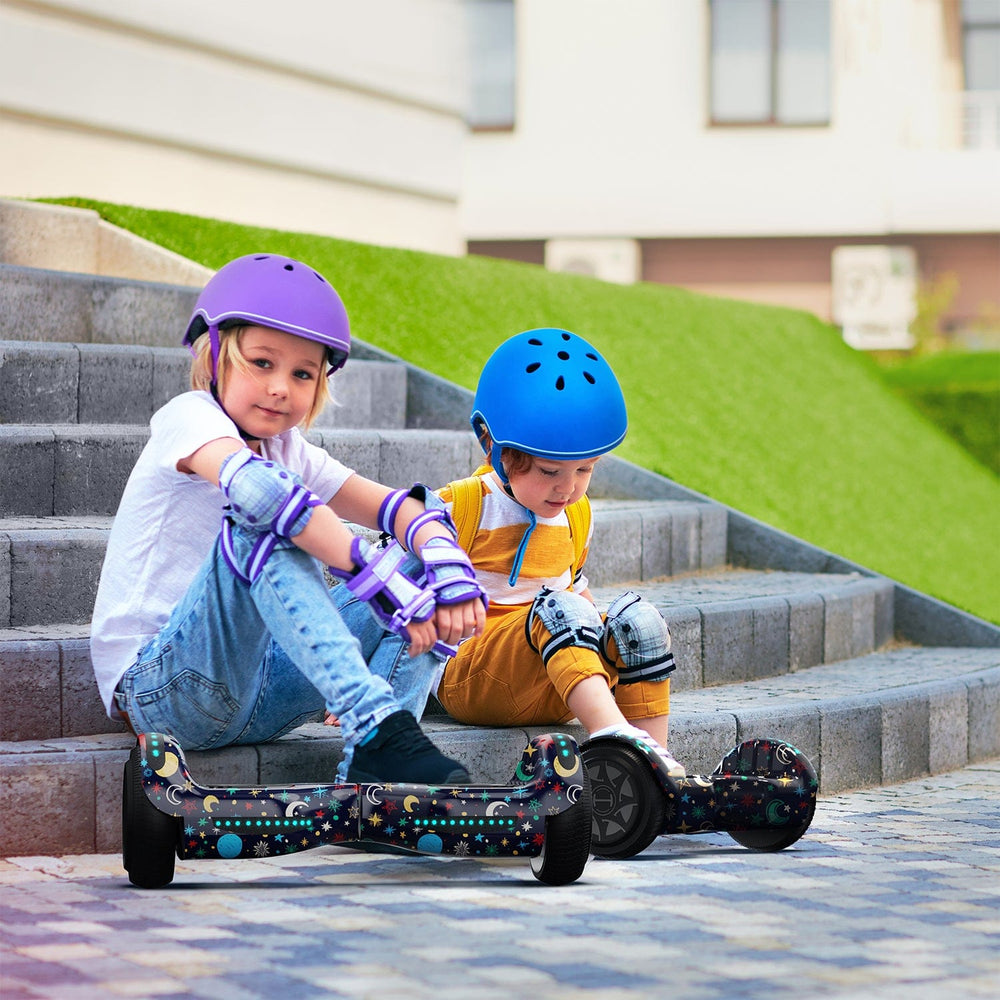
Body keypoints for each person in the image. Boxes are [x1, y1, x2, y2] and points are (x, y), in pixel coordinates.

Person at [90, 253, 487, 785]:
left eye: (302, 373)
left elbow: (396, 508)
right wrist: (373, 578)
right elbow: (259, 494)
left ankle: (383, 781)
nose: (281, 386)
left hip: (264, 689)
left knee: (426, 538)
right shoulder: (190, 418)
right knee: (261, 520)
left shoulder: (287, 447)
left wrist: (446, 563)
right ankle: (377, 724)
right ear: (214, 357)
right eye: (262, 363)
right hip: (167, 688)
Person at [434, 328, 684, 777]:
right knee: (561, 609)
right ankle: (614, 737)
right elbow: (390, 590)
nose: (567, 488)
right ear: (495, 447)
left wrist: (613, 637)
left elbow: (578, 592)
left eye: (584, 470)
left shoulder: (574, 514)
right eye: (550, 471)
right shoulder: (464, 506)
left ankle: (653, 771)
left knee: (638, 622)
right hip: (472, 675)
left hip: (554, 674)